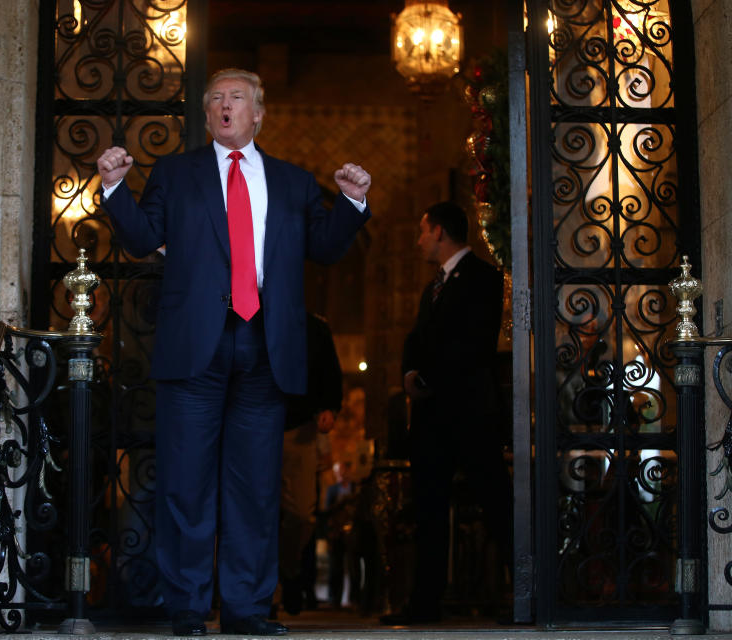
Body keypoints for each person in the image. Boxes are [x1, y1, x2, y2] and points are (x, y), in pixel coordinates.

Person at [96, 68, 371, 637]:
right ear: (206, 114)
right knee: (186, 483)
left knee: (255, 486)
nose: (226, 107)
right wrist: (114, 190)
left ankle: (247, 609)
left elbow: (324, 246)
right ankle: (188, 608)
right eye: (216, 100)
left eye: (237, 98)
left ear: (258, 112)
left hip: (266, 346)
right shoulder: (176, 173)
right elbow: (144, 237)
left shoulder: (294, 182)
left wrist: (352, 201)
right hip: (195, 343)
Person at [380, 201, 512, 625]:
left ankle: (524, 592)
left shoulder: (483, 278)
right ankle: (425, 601)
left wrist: (428, 376)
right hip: (433, 420)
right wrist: (409, 372)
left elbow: (472, 342)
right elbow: (416, 339)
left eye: (422, 231)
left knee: (495, 501)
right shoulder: (432, 286)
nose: (418, 240)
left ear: (439, 231)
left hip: (470, 412)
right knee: (429, 509)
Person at [278, 312, 342, 616]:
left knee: (302, 513)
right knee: (256, 512)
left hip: (298, 426)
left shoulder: (314, 326)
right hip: (253, 422)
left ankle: (288, 569)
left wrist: (329, 406)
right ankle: (265, 592)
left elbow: (329, 370)